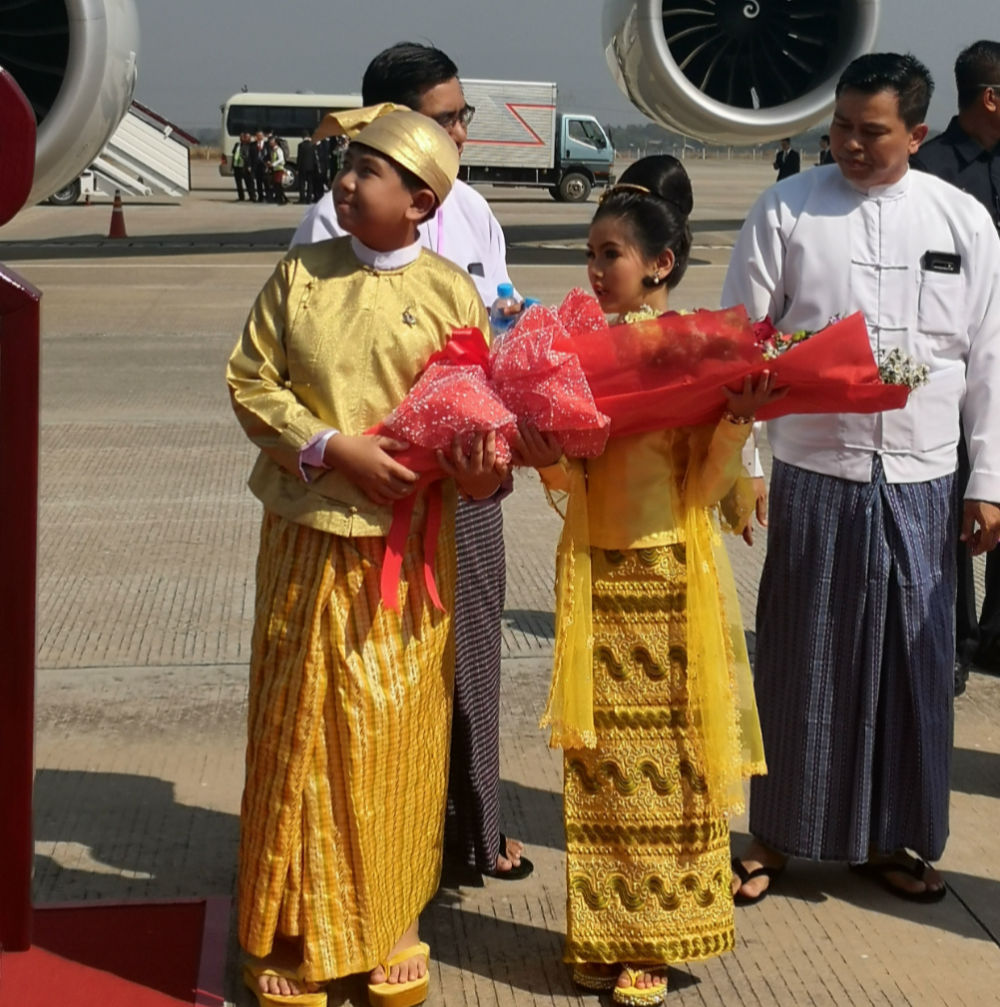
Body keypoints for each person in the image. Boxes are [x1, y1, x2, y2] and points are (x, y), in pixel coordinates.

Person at [227, 106, 503, 1007]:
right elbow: (250, 379)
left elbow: (478, 416)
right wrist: (332, 446)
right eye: (347, 165)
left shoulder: (452, 293)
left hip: (405, 550)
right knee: (300, 728)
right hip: (307, 538)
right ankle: (293, 922)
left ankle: (388, 917)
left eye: (368, 172)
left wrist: (479, 466)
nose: (345, 182)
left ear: (420, 202)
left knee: (394, 729)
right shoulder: (300, 273)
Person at [724, 52, 1000, 906]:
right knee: (801, 657)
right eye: (840, 125)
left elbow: (989, 360)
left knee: (913, 665)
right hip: (817, 466)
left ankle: (892, 835)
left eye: (870, 131)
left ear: (916, 133)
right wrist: (746, 465)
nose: (849, 142)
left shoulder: (963, 221)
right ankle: (776, 835)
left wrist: (987, 478)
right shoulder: (788, 208)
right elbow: (741, 342)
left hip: (925, 477)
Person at [538, 156, 781, 1006]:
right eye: (590, 254)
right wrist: (547, 439)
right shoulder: (577, 352)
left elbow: (706, 488)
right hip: (597, 579)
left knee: (673, 762)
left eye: (609, 253)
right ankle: (605, 931)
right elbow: (565, 480)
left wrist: (737, 421)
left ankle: (657, 939)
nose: (595, 268)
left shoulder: (692, 352)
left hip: (671, 579)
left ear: (660, 264)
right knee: (602, 764)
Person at [292, 41, 532, 884]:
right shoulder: (333, 225)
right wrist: (351, 450)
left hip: (466, 484)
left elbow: (497, 330)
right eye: (445, 118)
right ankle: (389, 850)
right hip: (374, 493)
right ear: (389, 125)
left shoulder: (474, 211)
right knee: (378, 677)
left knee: (473, 655)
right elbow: (306, 368)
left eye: (463, 116)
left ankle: (475, 831)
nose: (461, 132)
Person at [911, 39, 1000, 692]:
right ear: (991, 97)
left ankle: (995, 634)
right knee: (954, 504)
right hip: (956, 365)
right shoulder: (929, 174)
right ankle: (952, 636)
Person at [296, 131, 320, 204]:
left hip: (302, 167)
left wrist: (297, 168)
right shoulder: (313, 145)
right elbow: (315, 157)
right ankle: (308, 199)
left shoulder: (300, 145)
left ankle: (302, 199)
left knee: (302, 183)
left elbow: (299, 158)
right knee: (310, 183)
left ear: (303, 137)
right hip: (311, 167)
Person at [232, 131, 253, 201]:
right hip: (236, 166)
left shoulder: (248, 145)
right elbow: (234, 154)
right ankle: (241, 197)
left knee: (248, 182)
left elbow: (248, 156)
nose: (241, 138)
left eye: (243, 137)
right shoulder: (237, 145)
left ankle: (252, 196)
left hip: (244, 166)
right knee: (238, 183)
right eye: (240, 137)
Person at [249, 129, 269, 203]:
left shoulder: (267, 145)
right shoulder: (252, 145)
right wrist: (249, 165)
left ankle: (268, 197)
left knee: (266, 182)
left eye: (260, 135)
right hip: (256, 166)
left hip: (264, 166)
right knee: (258, 182)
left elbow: (269, 155)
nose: (259, 137)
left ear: (263, 136)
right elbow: (250, 156)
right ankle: (260, 197)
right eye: (258, 136)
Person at [267, 137, 288, 205]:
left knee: (278, 184)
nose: (270, 143)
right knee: (276, 184)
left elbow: (281, 159)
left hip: (279, 169)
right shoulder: (273, 150)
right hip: (275, 169)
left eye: (271, 142)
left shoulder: (278, 150)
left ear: (275, 143)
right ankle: (281, 198)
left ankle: (281, 199)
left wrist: (273, 164)